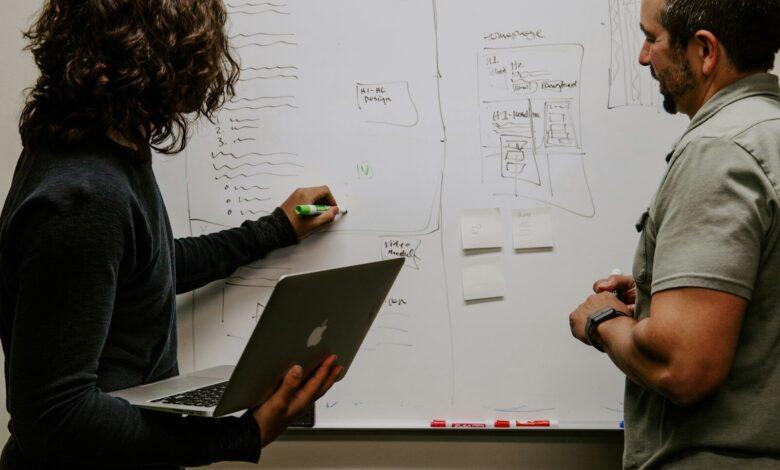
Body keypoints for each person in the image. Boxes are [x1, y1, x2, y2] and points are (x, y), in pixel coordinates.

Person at [0, 0, 344, 468]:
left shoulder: (108, 151)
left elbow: (146, 270)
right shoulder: (82, 196)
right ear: (162, 63)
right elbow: (55, 418)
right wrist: (243, 434)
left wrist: (276, 229)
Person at [568, 0, 780, 468]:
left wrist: (602, 320)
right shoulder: (769, 133)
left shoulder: (718, 151)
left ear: (704, 50)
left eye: (653, 38)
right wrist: (653, 297)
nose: (644, 57)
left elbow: (682, 368)